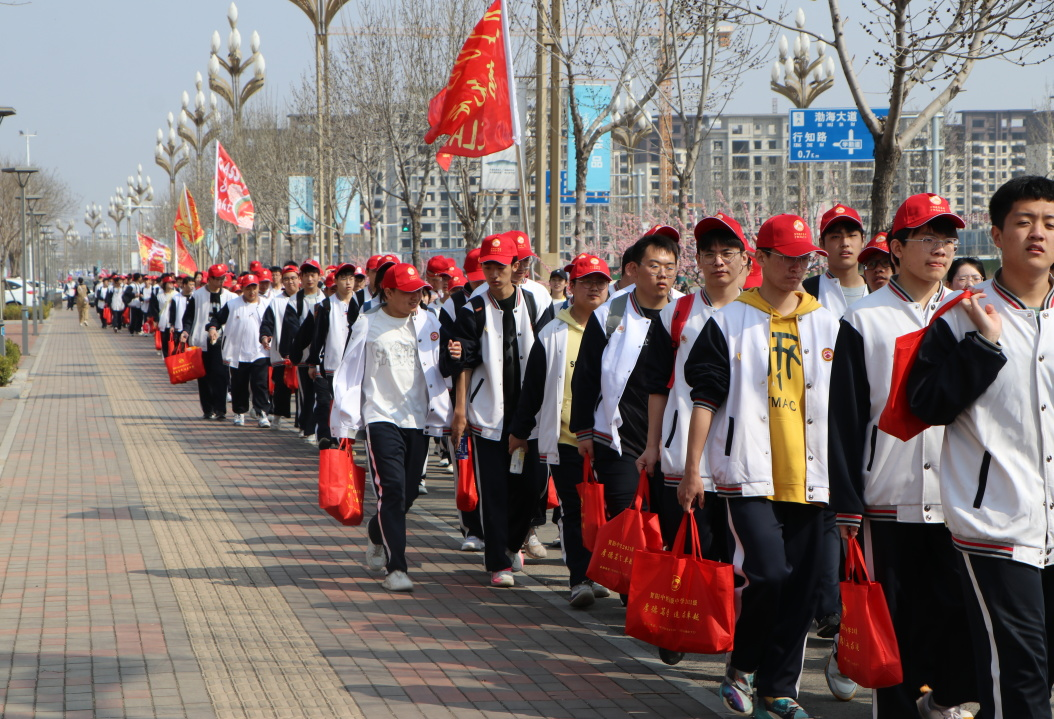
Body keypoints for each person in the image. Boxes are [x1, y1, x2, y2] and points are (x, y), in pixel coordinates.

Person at [679, 214, 838, 719]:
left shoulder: (827, 321)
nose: (796, 267)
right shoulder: (728, 322)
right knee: (767, 574)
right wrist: (692, 468)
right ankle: (742, 667)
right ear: (761, 259)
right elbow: (703, 397)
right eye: (785, 257)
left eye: (803, 258)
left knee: (804, 586)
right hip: (748, 472)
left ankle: (780, 688)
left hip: (814, 476)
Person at [907, 176, 1054, 719]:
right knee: (1018, 674)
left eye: (1050, 223)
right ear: (996, 234)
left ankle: (943, 698)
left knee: (1040, 665)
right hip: (995, 522)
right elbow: (924, 405)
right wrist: (982, 348)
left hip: (1053, 524)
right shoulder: (961, 316)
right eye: (1024, 221)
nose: (1038, 233)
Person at [829, 193, 977, 717]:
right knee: (892, 628)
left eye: (948, 239)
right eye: (928, 237)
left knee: (959, 622)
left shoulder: (970, 314)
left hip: (962, 500)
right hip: (888, 497)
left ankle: (945, 700)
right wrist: (846, 502)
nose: (941, 249)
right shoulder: (864, 318)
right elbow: (844, 417)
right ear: (896, 247)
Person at [331, 263, 453, 592]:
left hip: (418, 418)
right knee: (393, 490)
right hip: (380, 416)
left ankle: (376, 532)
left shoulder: (429, 321)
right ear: (388, 292)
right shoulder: (368, 323)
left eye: (419, 291)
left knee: (408, 493)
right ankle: (396, 568)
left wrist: (455, 356)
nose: (417, 297)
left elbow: (444, 365)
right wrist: (344, 423)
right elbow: (349, 372)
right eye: (408, 292)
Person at [639, 213, 749, 580]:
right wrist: (653, 445)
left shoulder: (759, 315)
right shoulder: (676, 313)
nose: (718, 261)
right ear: (697, 260)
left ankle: (728, 635)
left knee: (735, 561)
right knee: (686, 554)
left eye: (727, 252)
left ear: (745, 259)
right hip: (682, 458)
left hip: (744, 463)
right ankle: (684, 633)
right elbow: (657, 386)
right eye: (709, 253)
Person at [571, 231, 680, 588]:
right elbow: (585, 375)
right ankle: (633, 595)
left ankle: (655, 593)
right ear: (634, 270)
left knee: (667, 520)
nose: (662, 274)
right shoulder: (610, 313)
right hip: (619, 437)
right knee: (627, 516)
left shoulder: (685, 312)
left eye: (670, 266)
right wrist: (584, 431)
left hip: (672, 437)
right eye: (654, 265)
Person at [509, 254, 611, 607]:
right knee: (575, 510)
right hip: (569, 440)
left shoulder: (618, 327)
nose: (595, 288)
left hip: (611, 441)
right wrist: (520, 430)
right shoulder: (553, 332)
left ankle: (607, 574)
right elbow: (533, 387)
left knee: (612, 511)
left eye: (601, 281)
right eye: (586, 282)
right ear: (572, 286)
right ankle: (580, 579)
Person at [449, 235, 550, 588]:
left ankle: (511, 543)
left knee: (532, 487)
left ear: (515, 267)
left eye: (500, 266)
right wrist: (460, 410)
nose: (493, 274)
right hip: (488, 415)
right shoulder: (473, 309)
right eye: (488, 266)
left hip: (530, 417)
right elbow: (463, 363)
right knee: (494, 490)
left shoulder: (536, 304)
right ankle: (497, 562)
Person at [439, 248, 487, 552]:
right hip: (463, 396)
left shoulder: (516, 300)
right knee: (466, 466)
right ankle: (471, 528)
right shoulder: (454, 306)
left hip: (498, 400)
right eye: (481, 276)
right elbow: (446, 360)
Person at [205, 273, 272, 427]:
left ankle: (262, 412)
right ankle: (239, 413)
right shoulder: (233, 304)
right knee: (239, 384)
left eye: (254, 288)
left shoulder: (266, 304)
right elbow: (217, 319)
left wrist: (267, 337)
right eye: (248, 288)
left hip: (259, 351)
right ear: (242, 288)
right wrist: (213, 328)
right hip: (238, 352)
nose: (252, 291)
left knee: (260, 384)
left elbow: (271, 324)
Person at [178, 264, 237, 421]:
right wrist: (186, 331)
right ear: (209, 279)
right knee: (204, 376)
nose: (220, 282)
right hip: (201, 341)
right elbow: (189, 317)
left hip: (222, 341)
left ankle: (220, 410)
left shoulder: (230, 297)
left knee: (221, 375)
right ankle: (207, 409)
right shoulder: (198, 295)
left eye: (222, 279)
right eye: (217, 279)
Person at [308, 263, 357, 447]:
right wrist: (313, 363)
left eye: (351, 278)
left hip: (353, 365)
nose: (348, 283)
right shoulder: (327, 306)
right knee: (327, 402)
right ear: (336, 281)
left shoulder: (360, 304)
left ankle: (344, 440)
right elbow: (318, 336)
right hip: (330, 364)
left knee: (347, 405)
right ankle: (326, 435)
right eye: (344, 278)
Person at [805, 204, 869, 315]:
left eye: (852, 235)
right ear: (822, 243)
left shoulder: (877, 288)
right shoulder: (807, 291)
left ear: (863, 240)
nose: (845, 243)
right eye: (835, 237)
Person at [260, 265, 303, 431]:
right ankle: (277, 416)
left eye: (293, 278)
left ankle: (302, 424)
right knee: (281, 388)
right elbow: (267, 323)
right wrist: (265, 336)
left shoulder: (306, 299)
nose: (290, 282)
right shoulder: (276, 301)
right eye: (287, 279)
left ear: (299, 279)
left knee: (302, 390)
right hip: (281, 354)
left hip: (303, 354)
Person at [150, 274, 185, 358]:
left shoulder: (177, 295)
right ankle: (166, 358)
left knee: (174, 341)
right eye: (169, 283)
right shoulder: (159, 296)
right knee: (165, 341)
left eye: (172, 282)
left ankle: (173, 357)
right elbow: (155, 309)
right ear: (165, 284)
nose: (171, 284)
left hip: (173, 322)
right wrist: (156, 320)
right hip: (162, 321)